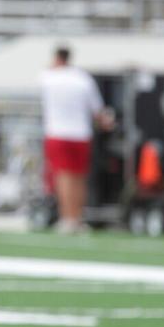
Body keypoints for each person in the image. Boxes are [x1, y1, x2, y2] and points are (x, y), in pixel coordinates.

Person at [40, 46, 113, 233]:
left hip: (57, 133)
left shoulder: (49, 78)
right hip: (81, 133)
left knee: (63, 177)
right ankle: (77, 217)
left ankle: (66, 218)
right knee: (79, 177)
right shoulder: (83, 78)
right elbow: (98, 111)